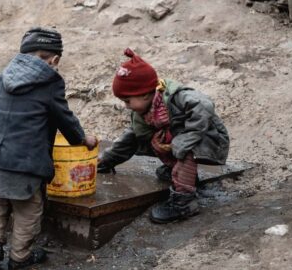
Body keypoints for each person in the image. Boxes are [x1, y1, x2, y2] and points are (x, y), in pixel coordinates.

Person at [0, 27, 97, 270]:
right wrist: (83, 139)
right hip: (27, 159)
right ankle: (20, 257)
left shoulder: (4, 77)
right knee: (28, 209)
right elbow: (64, 117)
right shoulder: (50, 82)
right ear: (54, 59)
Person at [98, 48, 229, 223]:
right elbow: (130, 138)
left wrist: (183, 140)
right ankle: (182, 174)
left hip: (209, 140)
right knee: (153, 138)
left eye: (127, 101)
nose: (126, 106)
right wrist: (105, 161)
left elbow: (204, 106)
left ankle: (184, 203)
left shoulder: (177, 98)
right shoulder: (144, 113)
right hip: (183, 141)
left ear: (144, 95)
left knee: (182, 147)